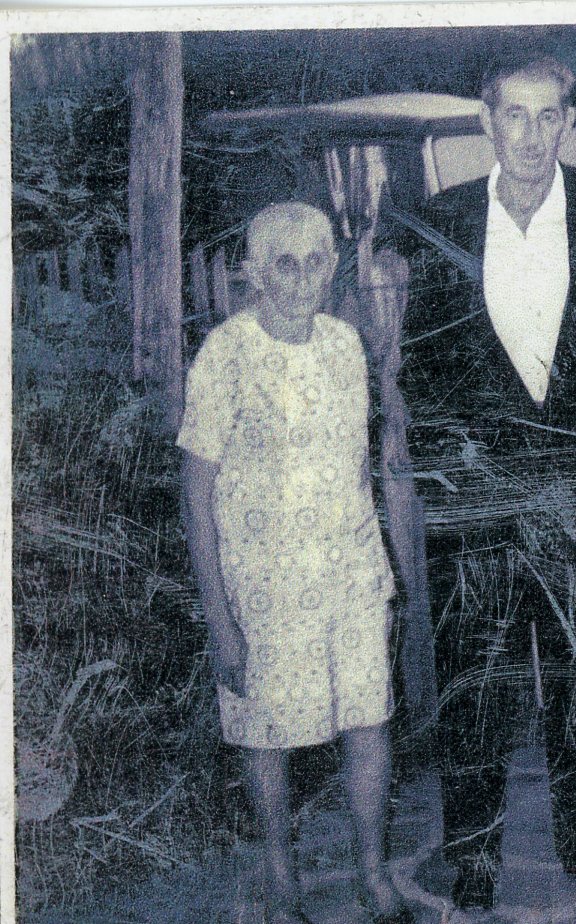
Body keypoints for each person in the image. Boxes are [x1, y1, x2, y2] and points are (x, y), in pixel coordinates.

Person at [394, 50, 576, 909]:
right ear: (487, 122)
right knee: (474, 677)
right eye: (513, 114)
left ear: (568, 125)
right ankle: (474, 857)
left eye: (548, 115)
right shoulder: (441, 218)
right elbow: (419, 368)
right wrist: (454, 473)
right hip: (479, 494)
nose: (530, 134)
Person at [180, 202, 413, 924]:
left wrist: (377, 575)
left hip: (349, 576)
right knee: (267, 735)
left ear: (333, 266)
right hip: (265, 588)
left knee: (368, 721)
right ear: (254, 272)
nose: (304, 278)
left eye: (317, 261)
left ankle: (372, 875)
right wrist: (220, 620)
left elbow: (356, 469)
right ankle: (282, 886)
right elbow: (195, 496)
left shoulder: (346, 345)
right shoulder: (225, 354)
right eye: (285, 263)